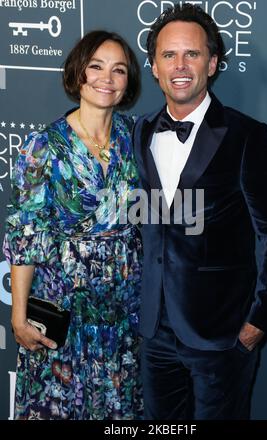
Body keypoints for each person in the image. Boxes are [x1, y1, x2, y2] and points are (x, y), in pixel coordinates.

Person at [133, 4, 267, 420]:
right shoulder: (139, 133)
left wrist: (258, 322)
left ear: (213, 62)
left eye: (192, 54)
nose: (180, 65)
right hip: (153, 333)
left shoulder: (249, 136)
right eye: (169, 55)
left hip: (222, 336)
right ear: (154, 66)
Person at [3, 30, 143, 420]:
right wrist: (18, 316)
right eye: (96, 66)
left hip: (123, 301)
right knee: (60, 402)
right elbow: (25, 234)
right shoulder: (44, 146)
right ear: (78, 73)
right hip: (63, 298)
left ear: (128, 82)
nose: (107, 78)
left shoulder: (137, 137)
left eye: (119, 70)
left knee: (119, 406)